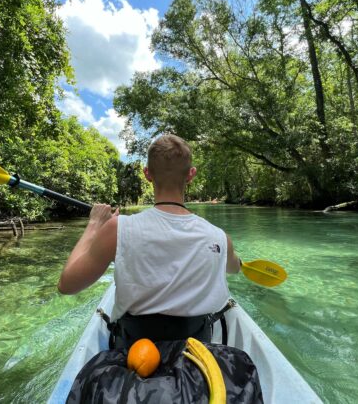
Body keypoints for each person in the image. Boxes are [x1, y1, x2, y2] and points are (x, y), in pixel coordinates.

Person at [58, 134, 241, 348]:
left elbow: (67, 285)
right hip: (198, 352)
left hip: (133, 350)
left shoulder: (117, 228)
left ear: (147, 174)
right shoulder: (219, 237)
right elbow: (235, 268)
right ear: (191, 175)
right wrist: (236, 260)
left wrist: (95, 224)